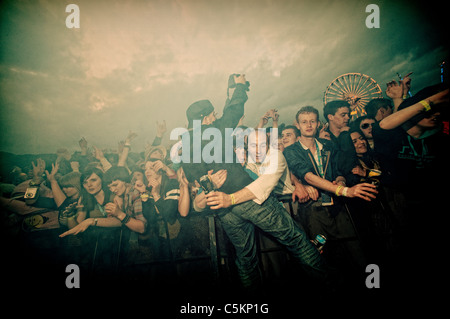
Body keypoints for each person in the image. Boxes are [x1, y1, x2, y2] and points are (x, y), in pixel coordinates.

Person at [180, 75, 325, 295]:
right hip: (247, 197)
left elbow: (198, 179)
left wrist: (210, 184)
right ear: (207, 117)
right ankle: (331, 287)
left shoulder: (186, 145)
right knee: (295, 239)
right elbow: (235, 109)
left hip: (223, 209)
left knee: (246, 258)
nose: (217, 116)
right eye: (213, 114)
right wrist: (239, 85)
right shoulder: (217, 128)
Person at [283, 106, 378, 286]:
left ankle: (371, 286)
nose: (309, 125)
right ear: (298, 125)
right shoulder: (291, 150)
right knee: (321, 256)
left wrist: (341, 181)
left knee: (356, 251)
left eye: (312, 121)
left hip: (338, 207)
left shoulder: (328, 145)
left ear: (318, 124)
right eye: (304, 122)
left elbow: (338, 171)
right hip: (312, 211)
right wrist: (344, 190)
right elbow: (307, 175)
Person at [371, 84, 449, 289]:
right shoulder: (392, 137)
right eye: (429, 111)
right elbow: (385, 124)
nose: (436, 115)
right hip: (400, 203)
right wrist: (427, 102)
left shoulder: (440, 135)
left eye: (439, 111)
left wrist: (401, 98)